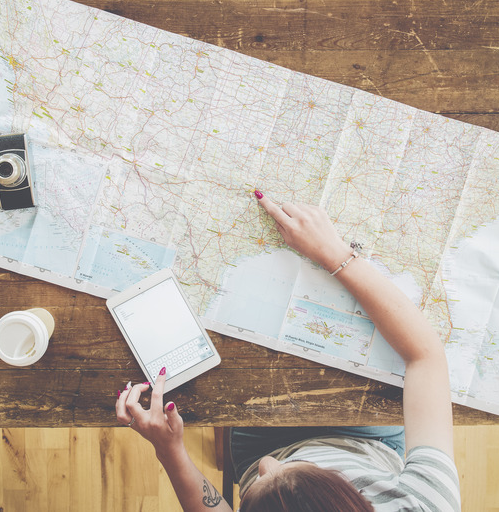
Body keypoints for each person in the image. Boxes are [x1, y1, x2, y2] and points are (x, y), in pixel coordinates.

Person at [115, 191, 461, 511]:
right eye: (294, 469)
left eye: (260, 480)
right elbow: (426, 356)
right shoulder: (425, 506)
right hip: (365, 433)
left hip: (256, 436)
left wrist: (170, 450)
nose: (268, 464)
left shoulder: (263, 460)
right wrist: (335, 253)